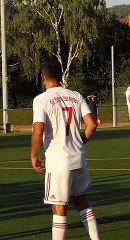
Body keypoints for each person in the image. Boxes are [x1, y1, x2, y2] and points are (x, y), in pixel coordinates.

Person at [30, 60, 99, 240]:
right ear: (61, 75)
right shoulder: (76, 95)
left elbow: (38, 129)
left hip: (58, 161)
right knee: (81, 200)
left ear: (43, 77)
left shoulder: (41, 99)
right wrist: (80, 143)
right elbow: (91, 124)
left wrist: (33, 154)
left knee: (59, 207)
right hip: (78, 158)